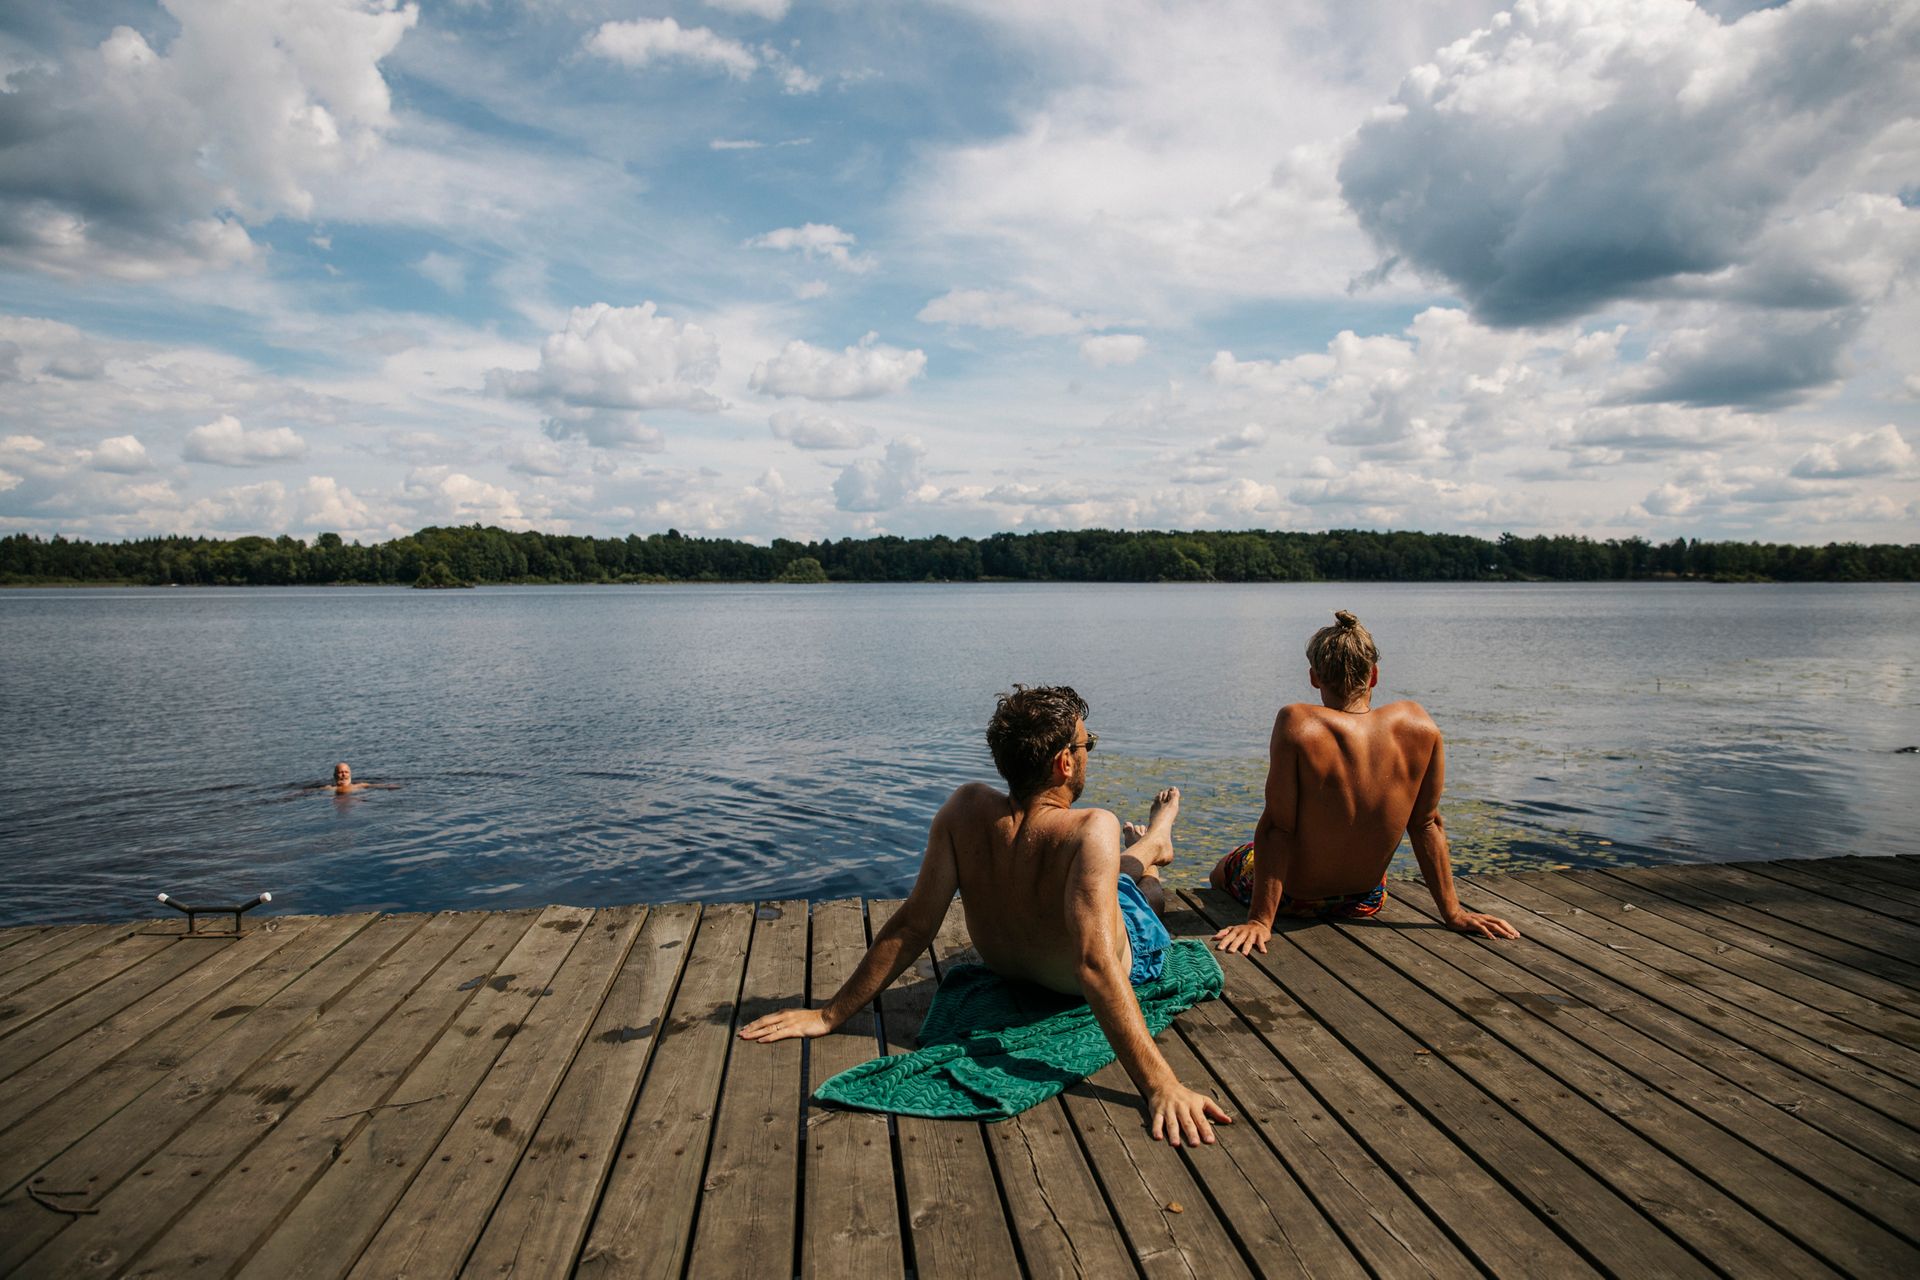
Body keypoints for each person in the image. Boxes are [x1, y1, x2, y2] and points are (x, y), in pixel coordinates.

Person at [740, 685, 1232, 1147]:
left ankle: (1153, 842)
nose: (1088, 755)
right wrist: (1160, 1085)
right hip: (1089, 971)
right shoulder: (1092, 826)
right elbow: (1096, 965)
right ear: (1065, 762)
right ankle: (1155, 843)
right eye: (1088, 746)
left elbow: (915, 924)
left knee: (1122, 881)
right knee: (1143, 898)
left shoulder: (964, 809)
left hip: (1010, 966)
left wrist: (831, 1015)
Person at [1211, 610, 1519, 955]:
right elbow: (1427, 824)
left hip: (1295, 901)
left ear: (1314, 677)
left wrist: (1260, 921)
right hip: (1367, 899)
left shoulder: (1298, 724)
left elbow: (1277, 828)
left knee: (1225, 867)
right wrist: (1453, 912)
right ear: (1373, 676)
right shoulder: (1420, 725)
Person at [319, 762, 397, 795]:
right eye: (340, 772)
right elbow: (310, 791)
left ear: (350, 774)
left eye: (346, 772)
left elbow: (374, 786)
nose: (343, 774)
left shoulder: (359, 785)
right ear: (335, 775)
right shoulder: (330, 788)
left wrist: (389, 786)